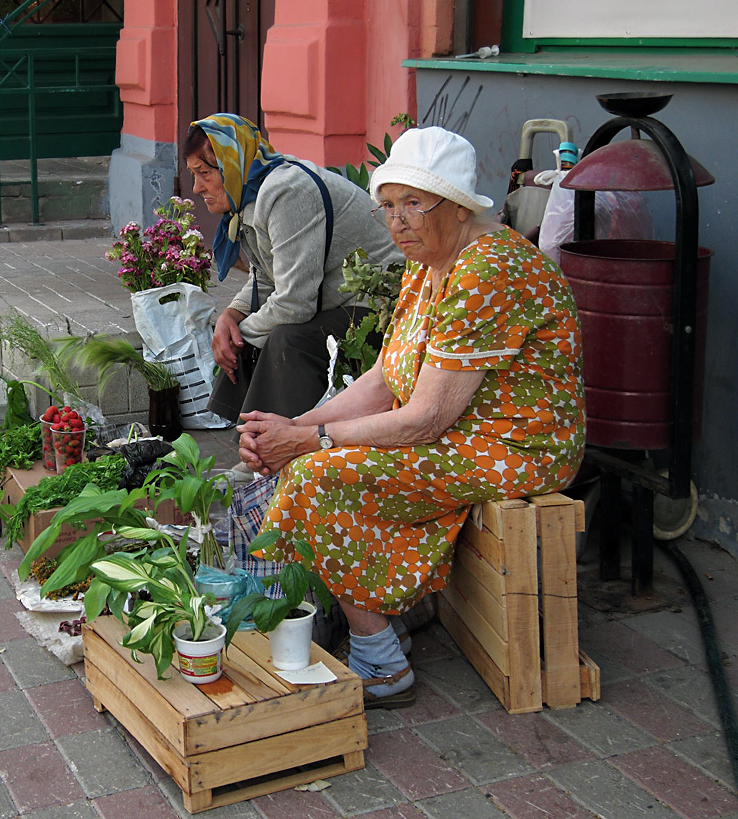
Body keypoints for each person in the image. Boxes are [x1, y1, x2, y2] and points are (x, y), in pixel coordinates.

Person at [237, 126, 585, 708]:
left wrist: (307, 442)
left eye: (413, 204)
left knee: (317, 475)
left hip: (520, 445)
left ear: (456, 205)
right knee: (312, 458)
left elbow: (424, 420)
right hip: (464, 434)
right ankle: (381, 615)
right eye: (388, 207)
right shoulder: (430, 265)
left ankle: (382, 663)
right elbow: (382, 382)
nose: (397, 221)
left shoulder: (488, 269)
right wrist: (294, 427)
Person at [185, 114, 400, 427]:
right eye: (194, 174)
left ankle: (276, 445)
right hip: (336, 298)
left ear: (232, 165)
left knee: (288, 337)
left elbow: (294, 303)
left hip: (378, 305)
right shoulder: (251, 192)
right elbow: (269, 276)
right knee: (251, 327)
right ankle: (255, 439)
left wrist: (237, 337)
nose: (196, 187)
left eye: (204, 173)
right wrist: (231, 315)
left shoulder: (287, 192)